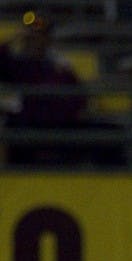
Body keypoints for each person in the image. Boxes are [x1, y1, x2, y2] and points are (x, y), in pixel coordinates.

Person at [0, 10, 87, 165]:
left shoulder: (60, 67)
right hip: (25, 126)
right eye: (31, 36)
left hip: (57, 127)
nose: (34, 40)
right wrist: (15, 37)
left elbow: (78, 99)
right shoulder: (20, 65)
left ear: (47, 39)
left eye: (39, 36)